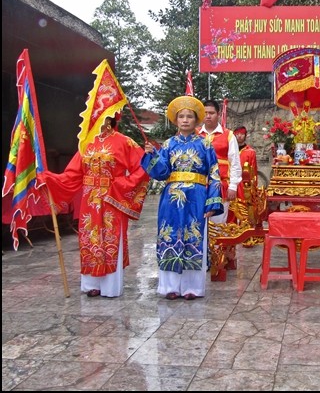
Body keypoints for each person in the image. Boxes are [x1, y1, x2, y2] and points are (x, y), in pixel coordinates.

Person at [41, 115, 150, 298]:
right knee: (90, 238)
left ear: (111, 118)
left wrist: (121, 185)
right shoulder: (86, 142)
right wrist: (48, 178)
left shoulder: (125, 142)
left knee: (110, 238)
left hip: (112, 199)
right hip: (90, 201)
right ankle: (91, 284)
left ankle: (110, 287)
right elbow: (72, 174)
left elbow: (143, 166)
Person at [143, 96, 224, 300]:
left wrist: (213, 202)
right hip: (171, 199)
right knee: (169, 235)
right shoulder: (169, 144)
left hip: (196, 197)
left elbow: (214, 174)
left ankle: (192, 288)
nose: (185, 120)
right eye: (181, 117)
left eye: (189, 116)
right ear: (176, 120)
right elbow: (161, 172)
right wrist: (152, 155)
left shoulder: (205, 144)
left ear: (196, 120)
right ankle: (170, 287)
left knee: (193, 236)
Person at [198, 100, 242, 225]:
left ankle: (218, 245)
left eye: (211, 113)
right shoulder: (195, 134)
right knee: (197, 223)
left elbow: (235, 163)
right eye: (205, 113)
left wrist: (233, 186)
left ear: (218, 114)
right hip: (198, 185)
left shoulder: (229, 135)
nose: (208, 116)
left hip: (220, 186)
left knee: (218, 224)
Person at [233, 125, 258, 229]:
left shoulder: (250, 152)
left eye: (241, 134)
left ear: (245, 135)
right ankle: (232, 228)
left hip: (245, 184)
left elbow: (254, 170)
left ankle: (245, 230)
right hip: (232, 182)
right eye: (237, 134)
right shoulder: (230, 150)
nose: (239, 136)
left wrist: (253, 187)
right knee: (232, 207)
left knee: (244, 207)